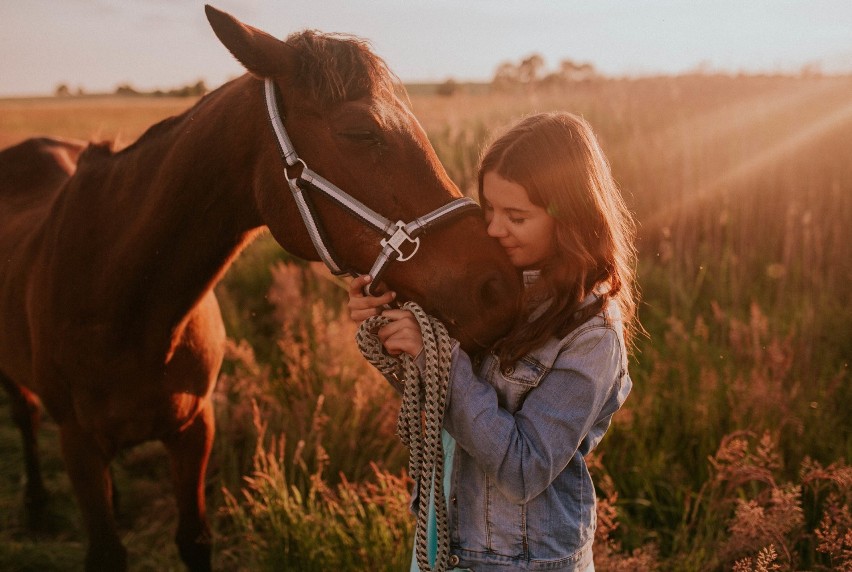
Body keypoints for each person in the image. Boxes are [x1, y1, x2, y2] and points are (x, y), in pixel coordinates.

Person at [348, 111, 638, 572]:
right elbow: (440, 403)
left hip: (522, 562)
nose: (493, 230)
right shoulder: (495, 287)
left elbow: (523, 470)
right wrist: (392, 329)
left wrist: (434, 355)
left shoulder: (592, 335)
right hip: (443, 547)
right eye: (488, 210)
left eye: (516, 217)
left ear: (570, 216)